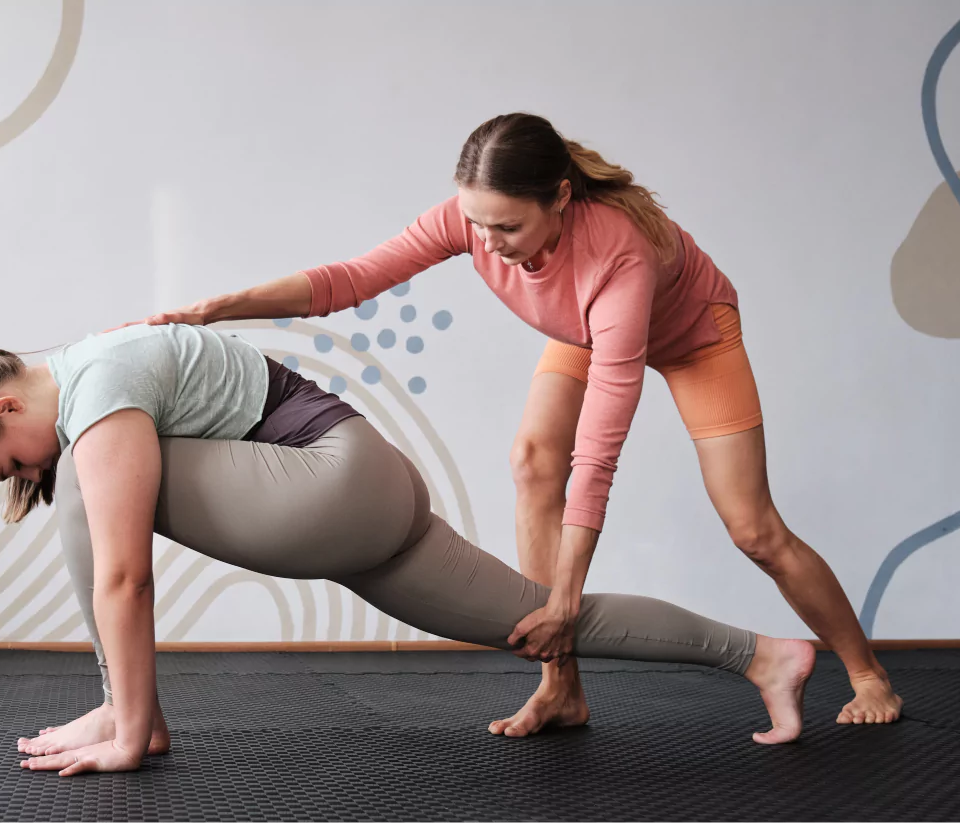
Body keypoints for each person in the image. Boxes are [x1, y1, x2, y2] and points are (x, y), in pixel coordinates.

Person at [122, 112, 902, 737]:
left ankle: (864, 672)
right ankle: (560, 688)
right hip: (583, 328)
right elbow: (350, 279)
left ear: (560, 197)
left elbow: (601, 450)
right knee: (531, 459)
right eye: (476, 225)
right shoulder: (473, 218)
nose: (485, 245)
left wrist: (567, 599)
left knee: (752, 529)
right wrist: (218, 307)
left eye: (506, 230)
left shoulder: (619, 260)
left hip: (691, 335)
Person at [0, 323, 815, 776]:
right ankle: (764, 655)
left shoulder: (95, 394)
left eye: (4, 463)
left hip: (334, 484)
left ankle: (129, 716)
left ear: (3, 409)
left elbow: (123, 573)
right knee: (531, 618)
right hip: (364, 487)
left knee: (86, 476)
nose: (17, 478)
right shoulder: (93, 369)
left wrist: (134, 728)